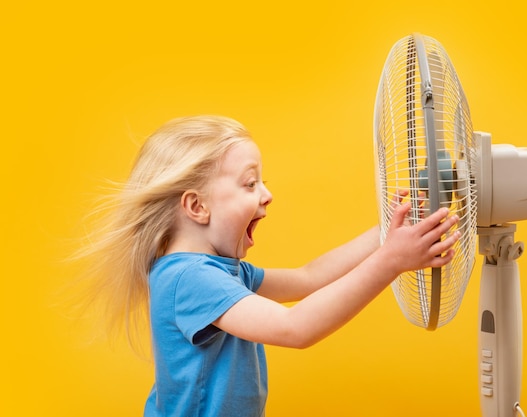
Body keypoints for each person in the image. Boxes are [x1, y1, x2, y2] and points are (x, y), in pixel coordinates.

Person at [78, 115, 460, 417]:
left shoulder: (220, 272)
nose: (267, 194)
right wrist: (391, 260)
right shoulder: (189, 279)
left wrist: (387, 231)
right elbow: (296, 328)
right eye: (250, 184)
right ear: (197, 207)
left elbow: (308, 278)